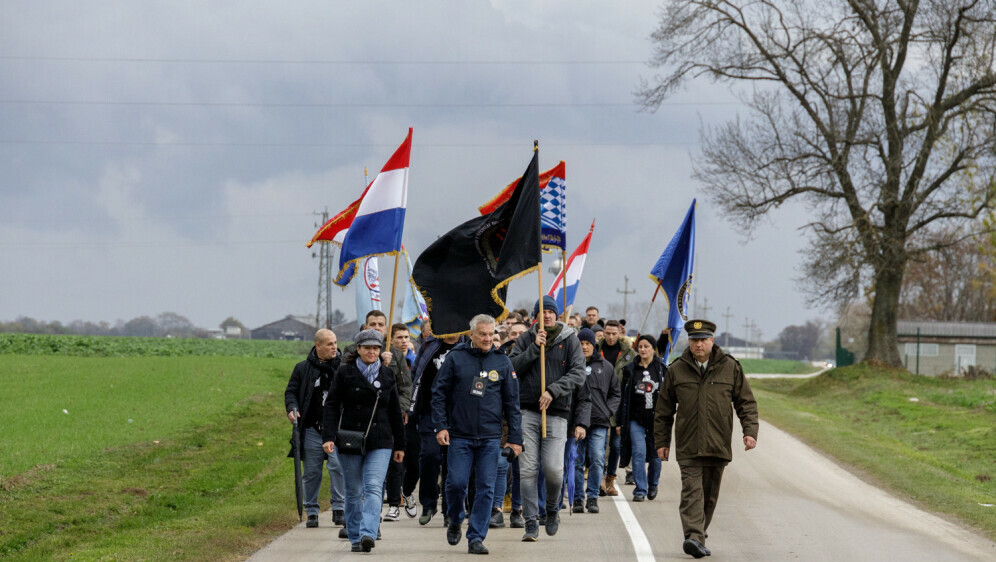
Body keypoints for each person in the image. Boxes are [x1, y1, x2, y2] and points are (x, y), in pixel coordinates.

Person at [654, 319, 758, 559]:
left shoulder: (730, 367)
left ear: (712, 341)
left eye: (702, 340)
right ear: (688, 342)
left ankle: (699, 534)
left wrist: (749, 431)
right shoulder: (677, 369)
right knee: (692, 492)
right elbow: (664, 410)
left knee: (709, 496)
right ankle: (693, 536)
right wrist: (662, 442)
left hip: (717, 443)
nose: (698, 344)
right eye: (693, 340)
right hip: (689, 443)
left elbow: (746, 403)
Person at [432, 314, 523, 555]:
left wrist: (515, 438)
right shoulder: (456, 359)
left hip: (490, 438)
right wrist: (441, 426)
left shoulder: (502, 362)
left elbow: (513, 404)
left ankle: (476, 537)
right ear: (471, 334)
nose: (487, 338)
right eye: (482, 334)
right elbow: (438, 394)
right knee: (456, 483)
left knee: (486, 487)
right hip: (459, 435)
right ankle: (454, 518)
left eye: (491, 334)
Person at [509, 295, 586, 541]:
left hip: (556, 413)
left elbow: (578, 373)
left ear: (557, 315)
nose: (548, 316)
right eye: (542, 312)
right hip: (527, 412)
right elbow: (511, 368)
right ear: (536, 317)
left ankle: (552, 509)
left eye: (551, 312)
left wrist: (553, 390)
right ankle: (531, 522)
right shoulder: (526, 338)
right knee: (528, 470)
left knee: (553, 469)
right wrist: (533, 349)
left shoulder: (569, 339)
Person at [322, 329, 406, 553]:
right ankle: (355, 535)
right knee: (353, 490)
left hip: (381, 441)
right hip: (350, 440)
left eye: (376, 348)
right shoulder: (345, 373)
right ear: (358, 349)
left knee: (373, 487)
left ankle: (368, 532)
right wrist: (329, 437)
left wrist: (400, 445)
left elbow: (395, 412)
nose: (372, 351)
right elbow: (331, 406)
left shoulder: (387, 375)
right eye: (367, 347)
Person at [345, 311, 412, 523]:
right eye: (372, 323)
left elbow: (404, 387)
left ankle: (374, 523)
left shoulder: (397, 355)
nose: (376, 327)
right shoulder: (350, 352)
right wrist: (377, 363)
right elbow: (344, 382)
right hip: (355, 427)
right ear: (365, 326)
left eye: (381, 324)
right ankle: (355, 521)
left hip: (383, 424)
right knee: (356, 484)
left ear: (386, 328)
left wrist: (401, 409)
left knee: (377, 479)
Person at [284, 329, 346, 528]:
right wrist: (292, 409)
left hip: (337, 428)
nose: (334, 347)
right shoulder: (302, 368)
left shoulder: (345, 368)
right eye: (329, 344)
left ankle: (339, 508)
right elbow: (291, 392)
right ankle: (311, 511)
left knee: (338, 466)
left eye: (335, 343)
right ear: (317, 346)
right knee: (311, 471)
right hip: (311, 428)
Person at [409, 330, 463, 525]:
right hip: (430, 410)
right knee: (430, 456)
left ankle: (449, 508)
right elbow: (416, 374)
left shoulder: (467, 345)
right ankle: (428, 503)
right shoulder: (429, 345)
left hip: (458, 413)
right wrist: (411, 406)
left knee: (452, 461)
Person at [572, 328, 620, 514]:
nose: (584, 347)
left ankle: (592, 497)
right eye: (581, 344)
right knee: (576, 461)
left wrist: (609, 410)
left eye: (588, 344)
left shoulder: (606, 367)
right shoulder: (571, 365)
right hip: (576, 422)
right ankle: (577, 498)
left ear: (594, 345)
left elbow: (616, 393)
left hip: (599, 421)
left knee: (597, 459)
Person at [617, 334, 664, 502]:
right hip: (635, 419)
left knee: (655, 456)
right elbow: (623, 397)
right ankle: (640, 489)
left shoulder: (661, 368)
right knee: (638, 452)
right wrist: (620, 421)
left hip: (656, 420)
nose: (643, 349)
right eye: (640, 347)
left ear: (653, 349)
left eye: (646, 346)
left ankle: (653, 484)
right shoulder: (630, 370)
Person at [597, 319, 636, 496]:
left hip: (619, 406)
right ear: (603, 333)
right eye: (608, 333)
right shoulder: (595, 350)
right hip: (597, 405)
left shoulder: (629, 354)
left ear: (620, 333)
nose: (611, 337)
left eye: (614, 334)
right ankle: (598, 478)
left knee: (616, 445)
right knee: (597, 446)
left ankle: (611, 479)